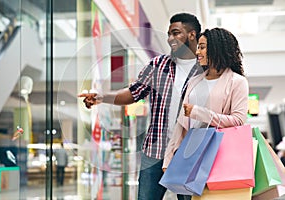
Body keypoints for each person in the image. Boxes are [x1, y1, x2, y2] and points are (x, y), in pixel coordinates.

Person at [79, 13, 202, 200]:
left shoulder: (206, 68)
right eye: (169, 34)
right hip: (155, 150)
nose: (170, 39)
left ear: (192, 35)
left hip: (190, 153)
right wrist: (101, 97)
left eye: (176, 33)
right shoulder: (158, 65)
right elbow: (133, 92)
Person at [163, 27, 249, 181]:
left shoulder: (237, 82)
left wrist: (199, 112)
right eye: (198, 47)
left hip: (219, 157)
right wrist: (168, 158)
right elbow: (181, 124)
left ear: (217, 48)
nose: (197, 52)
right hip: (188, 156)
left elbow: (238, 120)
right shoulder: (194, 82)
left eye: (202, 47)